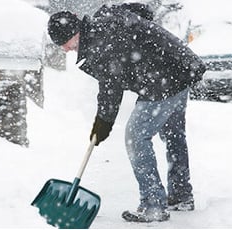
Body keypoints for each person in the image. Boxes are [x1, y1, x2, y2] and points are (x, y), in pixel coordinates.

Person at [47, 2, 206, 223]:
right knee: (173, 134)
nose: (65, 49)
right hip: (179, 69)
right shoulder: (104, 23)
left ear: (75, 32)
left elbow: (111, 89)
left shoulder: (101, 43)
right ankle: (181, 195)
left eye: (64, 43)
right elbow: (140, 11)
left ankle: (153, 205)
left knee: (136, 137)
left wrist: (102, 124)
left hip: (163, 81)